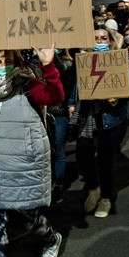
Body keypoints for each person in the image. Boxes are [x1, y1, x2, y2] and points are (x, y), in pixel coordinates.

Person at [0, 46, 64, 257]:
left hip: (21, 167)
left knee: (30, 220)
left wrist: (49, 66)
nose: (3, 63)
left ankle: (51, 239)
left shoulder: (28, 86)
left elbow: (54, 95)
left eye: (7, 59)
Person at [71, 29, 129, 218]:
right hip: (88, 118)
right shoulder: (84, 61)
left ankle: (106, 198)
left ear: (111, 41)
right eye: (96, 38)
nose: (100, 41)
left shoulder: (121, 62)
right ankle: (93, 187)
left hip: (111, 121)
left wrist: (117, 99)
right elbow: (77, 87)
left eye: (103, 38)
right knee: (82, 153)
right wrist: (71, 103)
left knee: (106, 161)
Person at [48, 46, 76, 204]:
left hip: (59, 111)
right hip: (42, 111)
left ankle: (58, 184)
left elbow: (71, 84)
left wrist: (71, 104)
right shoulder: (34, 63)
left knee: (58, 147)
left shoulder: (67, 64)